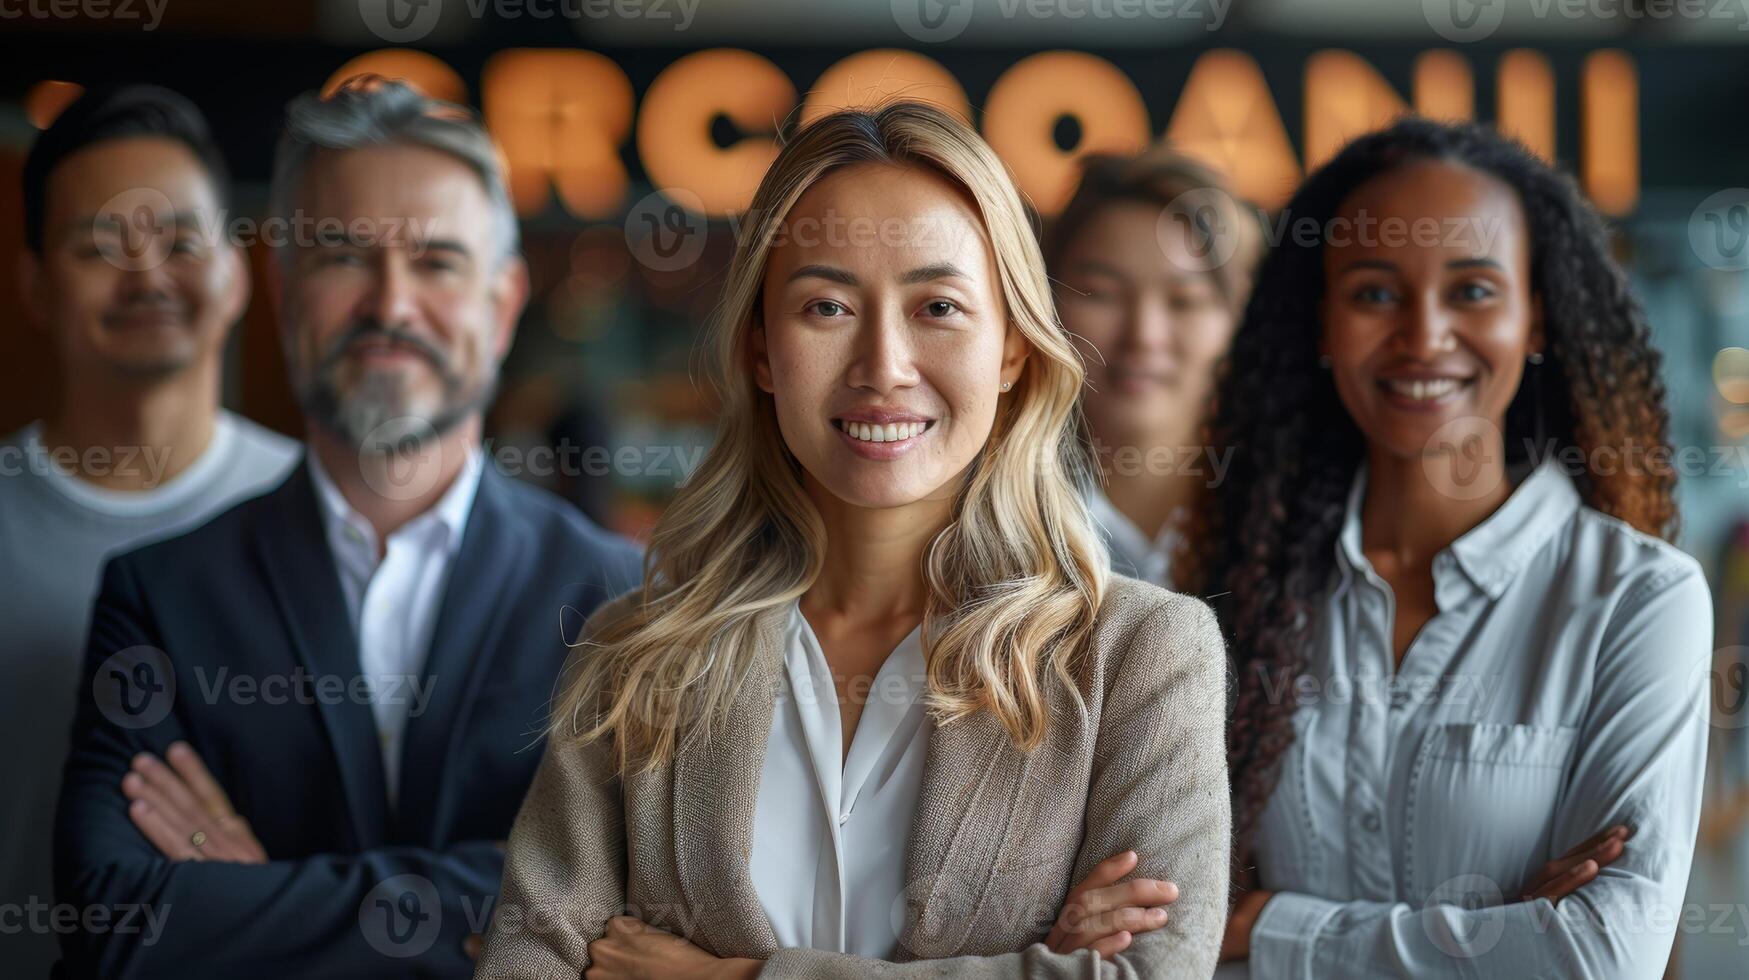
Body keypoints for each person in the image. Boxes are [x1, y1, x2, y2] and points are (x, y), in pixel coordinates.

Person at [474, 101, 1231, 980]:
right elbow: (528, 961)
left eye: (938, 306)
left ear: (1014, 351)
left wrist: (735, 978)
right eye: (826, 306)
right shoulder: (632, 650)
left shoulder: (1141, 657)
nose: (883, 365)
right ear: (761, 349)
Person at [53, 78, 642, 978]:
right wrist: (491, 911)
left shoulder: (627, 601)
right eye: (343, 255)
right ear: (283, 286)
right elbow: (115, 924)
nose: (391, 304)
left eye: (437, 261)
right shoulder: (158, 595)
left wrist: (256, 901)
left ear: (503, 300)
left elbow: (633, 921)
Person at [1199, 117, 1711, 978]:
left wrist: (1269, 929)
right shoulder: (1242, 593)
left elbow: (1600, 953)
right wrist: (1496, 937)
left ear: (1536, 318)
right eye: (1372, 292)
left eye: (1472, 290)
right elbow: (1168, 930)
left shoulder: (1639, 600)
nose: (1423, 336)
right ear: (1322, 326)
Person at [0, 85, 298, 979]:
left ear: (239, 273)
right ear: (34, 285)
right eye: (99, 243)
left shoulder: (323, 514)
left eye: (180, 240)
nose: (146, 274)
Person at [1045, 147, 1259, 588]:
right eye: (1100, 292)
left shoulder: (1291, 515)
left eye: (1185, 301)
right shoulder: (983, 515)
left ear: (1241, 321)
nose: (1144, 336)